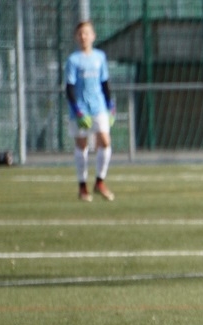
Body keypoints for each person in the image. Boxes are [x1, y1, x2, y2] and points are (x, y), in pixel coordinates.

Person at [65, 20, 115, 202]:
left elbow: (104, 83)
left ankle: (100, 182)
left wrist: (110, 105)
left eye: (86, 33)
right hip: (80, 108)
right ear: (76, 37)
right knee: (82, 145)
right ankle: (82, 186)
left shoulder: (100, 57)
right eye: (80, 34)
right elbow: (69, 88)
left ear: (93, 36)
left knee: (105, 141)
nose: (83, 36)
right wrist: (77, 110)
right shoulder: (73, 60)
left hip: (99, 106)